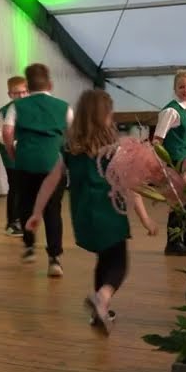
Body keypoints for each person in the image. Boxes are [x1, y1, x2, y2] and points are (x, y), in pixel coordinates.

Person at [27, 90, 157, 334]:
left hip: (83, 215)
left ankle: (101, 312)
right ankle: (103, 297)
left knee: (103, 258)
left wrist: (36, 212)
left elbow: (50, 181)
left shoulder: (69, 148)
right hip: (109, 214)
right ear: (104, 116)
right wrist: (146, 219)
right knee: (118, 262)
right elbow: (130, 187)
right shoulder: (114, 149)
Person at [9, 63, 72, 277]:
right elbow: (74, 136)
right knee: (53, 211)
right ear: (50, 84)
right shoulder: (64, 106)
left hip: (25, 162)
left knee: (25, 205)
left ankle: (29, 246)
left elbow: (7, 132)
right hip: (53, 164)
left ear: (28, 85)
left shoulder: (17, 106)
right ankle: (55, 259)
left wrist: (12, 153)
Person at [152, 69, 186, 256]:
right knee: (177, 204)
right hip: (174, 165)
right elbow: (157, 141)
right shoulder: (171, 111)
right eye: (181, 87)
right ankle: (173, 243)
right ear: (175, 89)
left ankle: (185, 239)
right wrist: (164, 167)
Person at [0, 75, 30, 235]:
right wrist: (16, 144)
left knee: (26, 188)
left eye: (24, 92)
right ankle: (12, 222)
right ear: (10, 94)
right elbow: (0, 134)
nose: (21, 96)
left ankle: (23, 219)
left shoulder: (31, 109)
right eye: (17, 93)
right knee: (15, 187)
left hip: (27, 156)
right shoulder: (5, 111)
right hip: (12, 157)